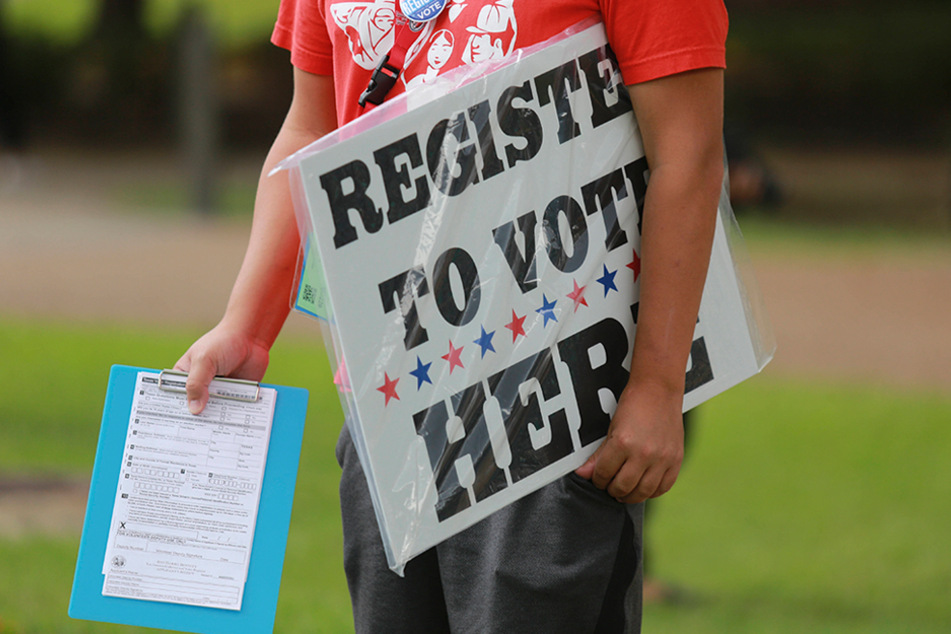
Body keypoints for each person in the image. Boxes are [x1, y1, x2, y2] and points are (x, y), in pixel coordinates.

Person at [175, 1, 727, 631]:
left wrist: (658, 382)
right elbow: (309, 132)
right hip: (389, 402)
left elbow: (687, 158)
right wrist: (246, 325)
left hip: (550, 401)